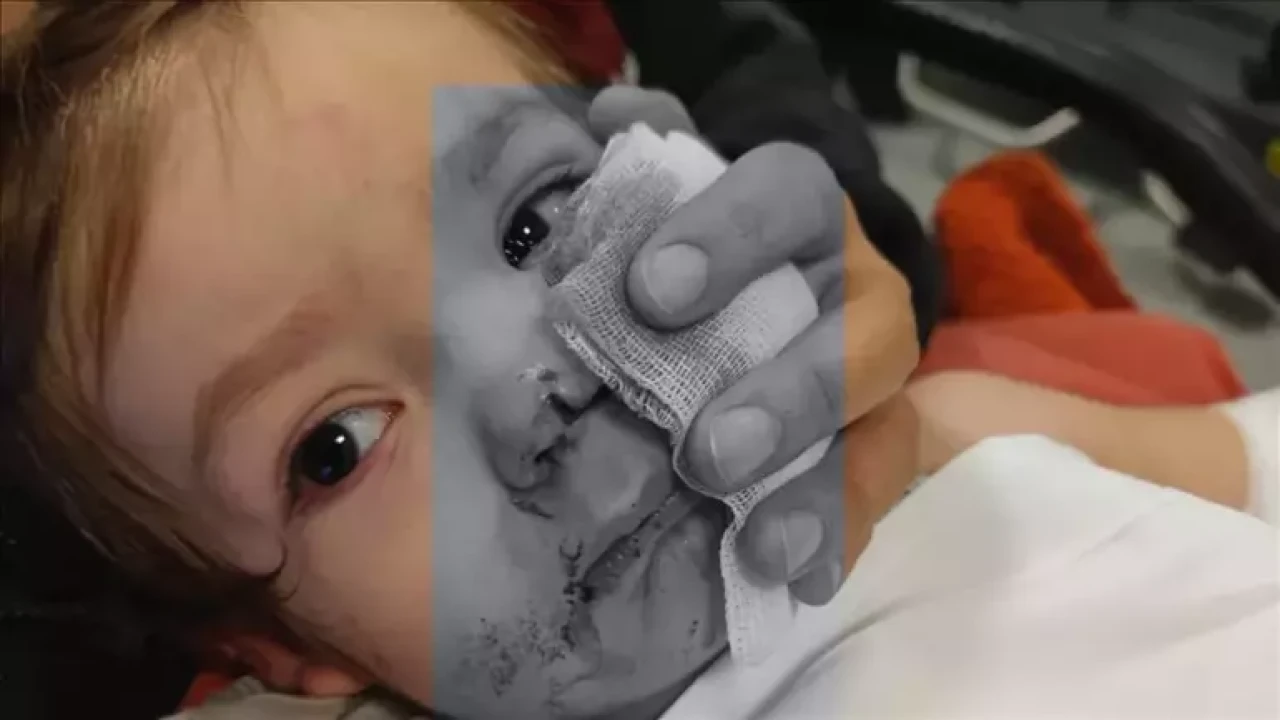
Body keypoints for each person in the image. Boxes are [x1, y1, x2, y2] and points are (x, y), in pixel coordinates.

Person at [0, 3, 1275, 720]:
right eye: (334, 445)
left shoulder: (955, 441)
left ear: (659, 154)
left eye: (535, 222)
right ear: (284, 650)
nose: (537, 389)